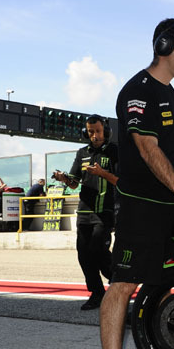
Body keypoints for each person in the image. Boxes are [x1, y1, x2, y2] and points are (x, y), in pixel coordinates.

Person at [95, 18, 174, 349]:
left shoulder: (173, 96)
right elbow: (147, 146)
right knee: (124, 284)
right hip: (142, 206)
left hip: (172, 207)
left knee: (166, 285)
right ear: (164, 46)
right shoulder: (137, 91)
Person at [52, 116, 118, 310]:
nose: (94, 135)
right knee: (83, 255)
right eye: (90, 132)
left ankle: (117, 283)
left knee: (98, 251)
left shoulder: (115, 151)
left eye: (97, 131)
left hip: (105, 211)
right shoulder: (82, 153)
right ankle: (97, 293)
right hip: (84, 212)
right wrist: (63, 178)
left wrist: (103, 173)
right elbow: (74, 181)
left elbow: (120, 180)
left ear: (105, 131)